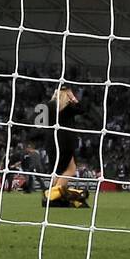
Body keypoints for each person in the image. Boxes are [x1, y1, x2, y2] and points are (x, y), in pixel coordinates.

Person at [44, 79, 89, 208]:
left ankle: (53, 195)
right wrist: (73, 98)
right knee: (70, 170)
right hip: (66, 141)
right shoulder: (68, 107)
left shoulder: (49, 105)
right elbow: (82, 110)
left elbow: (40, 123)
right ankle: (51, 196)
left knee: (58, 171)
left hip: (51, 141)